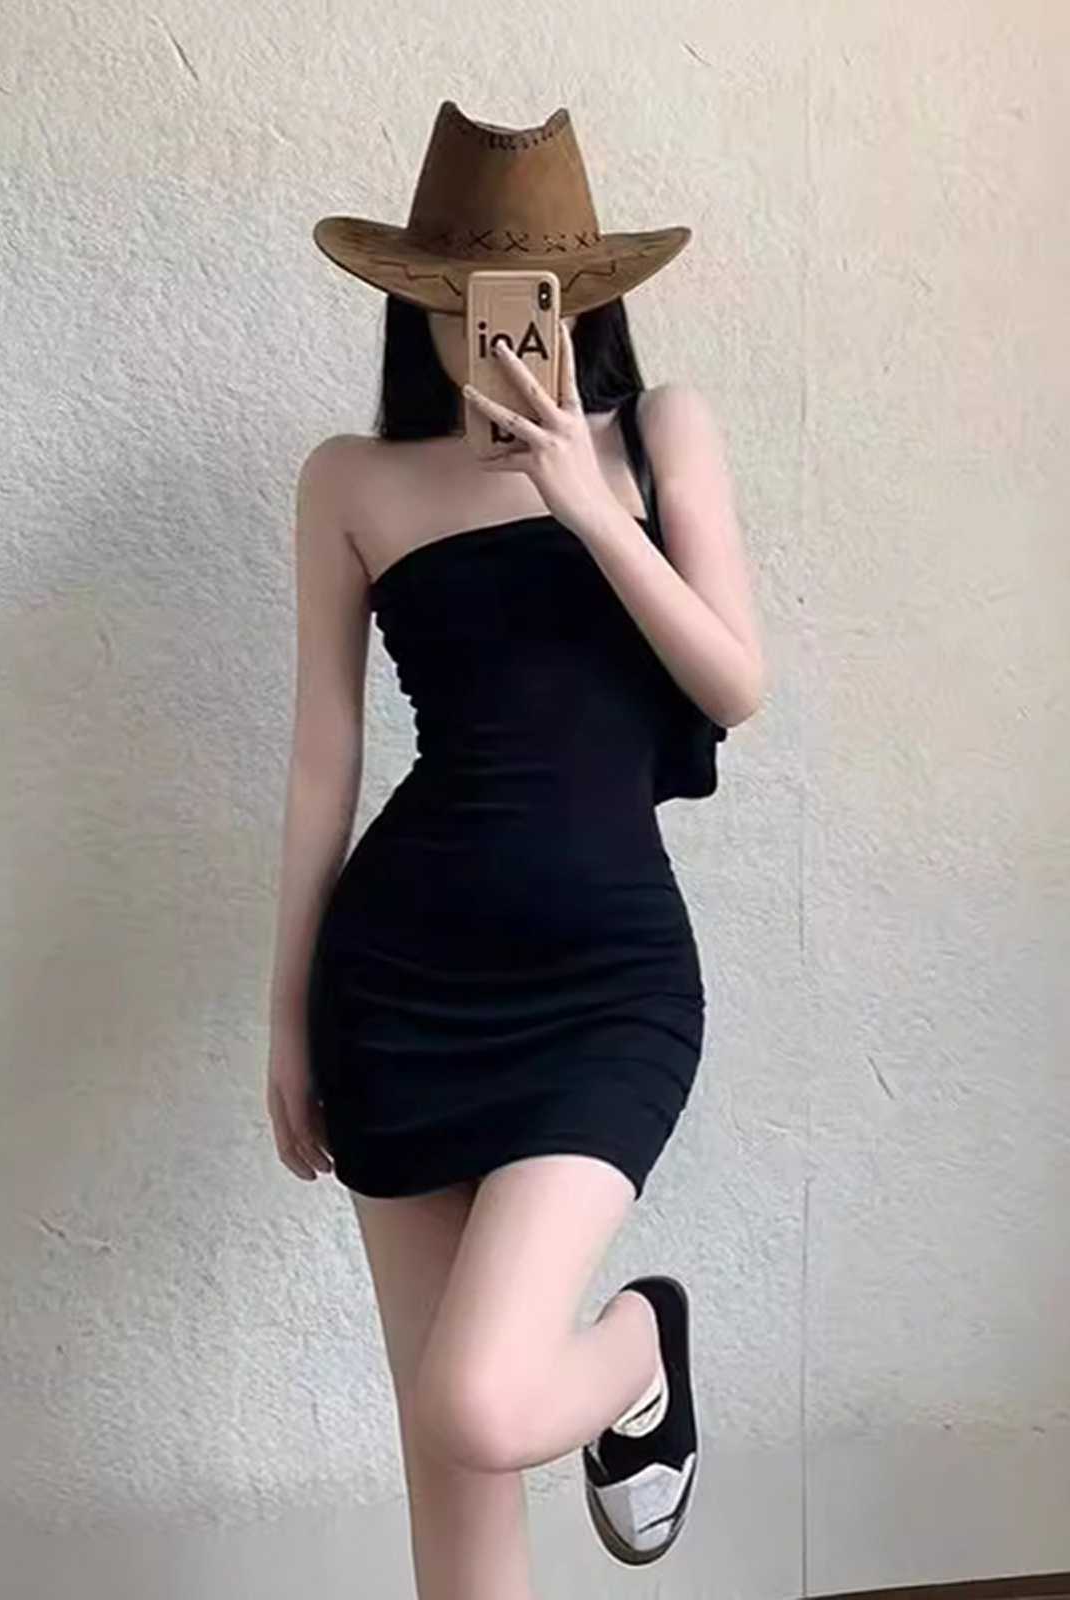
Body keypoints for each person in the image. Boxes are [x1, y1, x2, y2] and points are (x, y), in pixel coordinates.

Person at [266, 100, 763, 1598]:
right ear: (416, 302)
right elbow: (322, 764)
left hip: (604, 980)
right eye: (453, 300)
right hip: (396, 984)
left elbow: (733, 683)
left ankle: (642, 1345)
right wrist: (283, 1021)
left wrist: (587, 506)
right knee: (456, 1494)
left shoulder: (662, 431)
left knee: (480, 1404)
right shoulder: (351, 479)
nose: (485, 334)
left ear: (581, 303)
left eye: (526, 300)